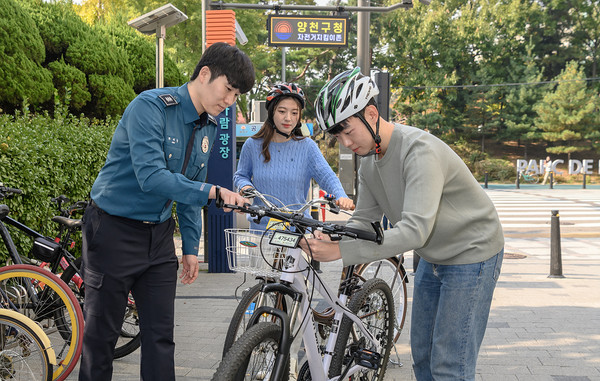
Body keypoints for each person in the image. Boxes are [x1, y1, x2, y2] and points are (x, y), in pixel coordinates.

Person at [302, 67, 505, 381]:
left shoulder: (418, 152)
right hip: (433, 253)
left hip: (472, 251)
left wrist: (340, 251)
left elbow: (414, 231)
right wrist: (329, 237)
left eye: (347, 130)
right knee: (422, 358)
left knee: (450, 365)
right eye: (337, 136)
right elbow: (364, 221)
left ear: (371, 114)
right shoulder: (369, 162)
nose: (344, 142)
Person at [78, 42, 254, 381]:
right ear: (205, 74)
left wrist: (190, 247)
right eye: (228, 89)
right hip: (112, 231)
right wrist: (215, 192)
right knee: (102, 338)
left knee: (161, 338)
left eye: (236, 95)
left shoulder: (208, 126)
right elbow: (151, 177)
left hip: (158, 238)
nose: (230, 101)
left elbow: (189, 190)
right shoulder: (151, 107)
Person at [233, 82, 354, 231]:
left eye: (294, 113)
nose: (288, 118)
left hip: (297, 230)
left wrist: (341, 196)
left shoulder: (307, 147)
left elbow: (327, 176)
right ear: (272, 113)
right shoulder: (252, 145)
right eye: (282, 111)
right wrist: (246, 187)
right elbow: (241, 175)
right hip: (261, 230)